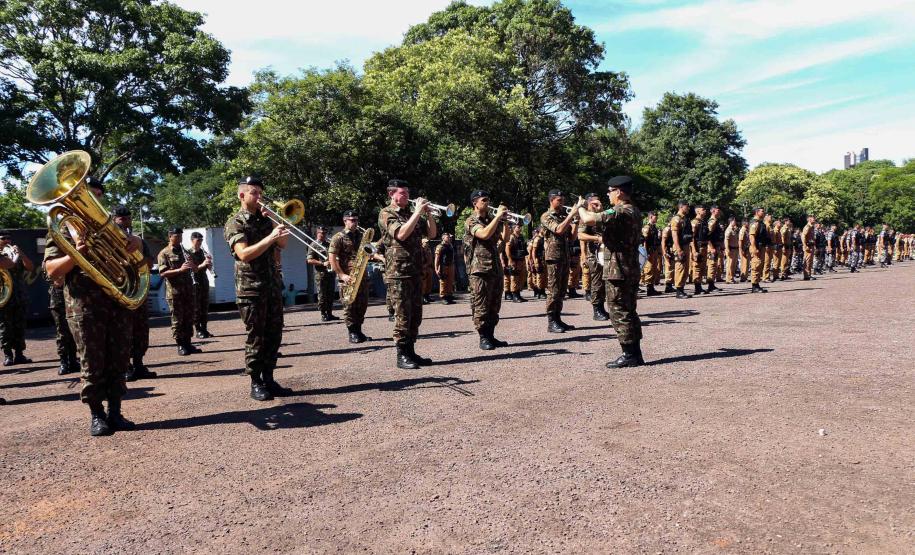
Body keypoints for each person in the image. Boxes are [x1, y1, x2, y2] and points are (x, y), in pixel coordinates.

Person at [44, 175, 138, 436]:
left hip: (116, 301)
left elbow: (134, 260)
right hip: (85, 306)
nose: (93, 201)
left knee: (119, 359)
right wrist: (76, 253)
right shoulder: (64, 229)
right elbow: (51, 270)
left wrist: (136, 244)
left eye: (97, 196)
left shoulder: (112, 227)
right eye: (87, 195)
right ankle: (97, 415)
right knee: (92, 363)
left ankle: (116, 412)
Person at [225, 176, 290, 401]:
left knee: (274, 333)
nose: (259, 197)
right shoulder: (235, 222)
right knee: (257, 336)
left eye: (260, 192)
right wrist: (270, 237)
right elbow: (244, 254)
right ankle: (256, 381)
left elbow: (282, 244)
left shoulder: (265, 220)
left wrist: (273, 222)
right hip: (250, 288)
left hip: (271, 285)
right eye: (254, 192)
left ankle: (269, 378)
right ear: (241, 195)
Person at [577, 176, 644, 368]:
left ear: (620, 192)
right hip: (628, 267)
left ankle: (629, 354)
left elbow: (588, 219)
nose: (608, 194)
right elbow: (609, 228)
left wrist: (582, 206)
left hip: (618, 269)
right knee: (629, 310)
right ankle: (634, 353)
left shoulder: (621, 210)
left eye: (610, 191)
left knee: (619, 311)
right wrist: (599, 211)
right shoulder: (632, 210)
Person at [378, 179, 437, 369]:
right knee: (403, 315)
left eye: (407, 193)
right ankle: (401, 354)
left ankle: (411, 352)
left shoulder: (411, 214)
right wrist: (418, 212)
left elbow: (432, 234)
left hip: (415, 270)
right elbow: (401, 234)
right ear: (391, 194)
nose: (407, 196)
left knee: (415, 315)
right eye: (403, 193)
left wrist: (428, 215)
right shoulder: (387, 213)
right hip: (398, 272)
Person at [112, 205, 156, 381]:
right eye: (121, 218)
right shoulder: (109, 239)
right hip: (121, 290)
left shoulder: (139, 240)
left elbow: (149, 264)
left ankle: (139, 364)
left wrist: (137, 259)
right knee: (123, 331)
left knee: (141, 330)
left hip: (138, 289)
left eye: (128, 218)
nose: (125, 221)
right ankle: (125, 367)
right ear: (114, 219)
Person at [463, 191, 510, 350]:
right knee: (481, 304)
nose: (487, 202)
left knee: (494, 304)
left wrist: (504, 221)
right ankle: (483, 337)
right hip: (479, 269)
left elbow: (505, 238)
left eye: (488, 199)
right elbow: (483, 234)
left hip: (495, 266)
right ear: (475, 203)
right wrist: (497, 218)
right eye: (484, 200)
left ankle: (491, 335)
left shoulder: (491, 220)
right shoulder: (471, 220)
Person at [540, 190, 584, 333]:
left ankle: (558, 318)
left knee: (561, 290)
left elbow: (571, 238)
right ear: (551, 201)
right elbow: (558, 230)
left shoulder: (563, 216)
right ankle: (551, 321)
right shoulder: (546, 216)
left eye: (563, 200)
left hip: (564, 256)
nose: (562, 202)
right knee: (553, 290)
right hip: (553, 258)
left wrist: (576, 221)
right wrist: (571, 214)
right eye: (559, 200)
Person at [329, 210, 372, 344]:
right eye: (352, 220)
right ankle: (352, 332)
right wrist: (341, 274)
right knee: (349, 305)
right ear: (345, 221)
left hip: (362, 276)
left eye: (356, 220)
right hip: (347, 276)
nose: (354, 222)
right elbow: (332, 258)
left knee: (362, 304)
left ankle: (359, 331)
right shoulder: (338, 237)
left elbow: (368, 251)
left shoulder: (362, 236)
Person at [157, 228, 201, 356]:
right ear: (170, 236)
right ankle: (180, 344)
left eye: (181, 236)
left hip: (188, 291)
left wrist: (193, 266)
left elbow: (196, 269)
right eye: (177, 236)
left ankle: (188, 343)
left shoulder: (185, 251)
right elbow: (163, 273)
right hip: (175, 292)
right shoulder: (164, 253)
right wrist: (180, 270)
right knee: (178, 319)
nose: (180, 239)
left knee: (189, 318)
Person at [0, 233, 34, 366]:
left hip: (19, 295)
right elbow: (10, 265)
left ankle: (19, 354)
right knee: (5, 327)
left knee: (19, 326)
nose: (7, 241)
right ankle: (8, 355)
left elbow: (30, 267)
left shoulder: (15, 253)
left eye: (9, 238)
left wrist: (21, 253)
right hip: (3, 296)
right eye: (3, 238)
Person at [578, 193, 609, 320]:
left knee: (604, 282)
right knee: (597, 283)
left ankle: (602, 308)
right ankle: (597, 310)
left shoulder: (600, 215)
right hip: (593, 254)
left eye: (599, 202)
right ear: (589, 203)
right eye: (595, 203)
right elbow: (581, 236)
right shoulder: (586, 217)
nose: (597, 204)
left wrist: (601, 210)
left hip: (604, 253)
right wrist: (597, 238)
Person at [47, 269, 79, 375]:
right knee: (62, 332)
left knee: (74, 331)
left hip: (72, 299)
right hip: (58, 300)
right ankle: (63, 362)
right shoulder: (52, 260)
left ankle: (73, 361)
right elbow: (58, 281)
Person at [187, 231, 215, 337]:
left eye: (201, 240)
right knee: (196, 307)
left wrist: (209, 265)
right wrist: (202, 264)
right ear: (192, 240)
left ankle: (204, 329)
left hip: (203, 281)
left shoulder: (202, 252)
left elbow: (207, 268)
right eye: (198, 240)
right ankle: (198, 330)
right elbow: (192, 270)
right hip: (194, 282)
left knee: (205, 306)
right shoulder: (188, 253)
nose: (200, 242)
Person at [307, 226, 337, 321]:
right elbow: (309, 260)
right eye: (321, 233)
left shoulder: (329, 244)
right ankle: (323, 314)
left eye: (324, 233)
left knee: (331, 294)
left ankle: (330, 313)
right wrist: (322, 263)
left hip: (331, 273)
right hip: (321, 274)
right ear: (317, 233)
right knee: (322, 295)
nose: (323, 235)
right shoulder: (313, 245)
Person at [669, 201, 692, 299]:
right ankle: (678, 291)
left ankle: (682, 289)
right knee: (680, 267)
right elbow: (674, 235)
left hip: (685, 246)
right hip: (680, 246)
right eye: (687, 207)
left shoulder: (685, 218)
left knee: (685, 268)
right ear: (681, 207)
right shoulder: (676, 219)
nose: (688, 208)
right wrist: (678, 249)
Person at [748, 207, 769, 293]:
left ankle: (757, 284)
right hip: (756, 247)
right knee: (755, 266)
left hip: (761, 247)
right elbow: (751, 236)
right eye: (762, 211)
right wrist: (754, 247)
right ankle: (754, 286)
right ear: (757, 212)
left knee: (759, 265)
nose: (764, 213)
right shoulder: (755, 223)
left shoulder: (761, 223)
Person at [690, 205, 710, 295]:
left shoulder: (703, 222)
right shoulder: (695, 222)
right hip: (698, 247)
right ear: (697, 211)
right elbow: (692, 238)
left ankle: (700, 286)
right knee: (697, 267)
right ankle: (697, 287)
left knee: (702, 267)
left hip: (704, 247)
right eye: (703, 209)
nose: (705, 211)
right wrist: (694, 251)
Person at [641, 211, 661, 296]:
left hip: (654, 250)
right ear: (651, 217)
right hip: (649, 251)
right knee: (648, 269)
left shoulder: (654, 227)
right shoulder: (647, 227)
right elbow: (644, 241)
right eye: (655, 216)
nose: (656, 218)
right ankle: (649, 289)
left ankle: (652, 288)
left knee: (653, 269)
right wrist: (645, 253)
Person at [505, 225, 528, 302]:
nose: (520, 228)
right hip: (514, 260)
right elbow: (507, 249)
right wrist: (510, 260)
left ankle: (518, 295)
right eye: (518, 227)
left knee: (521, 278)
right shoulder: (511, 237)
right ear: (514, 228)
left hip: (521, 260)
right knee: (514, 278)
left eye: (520, 227)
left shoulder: (521, 237)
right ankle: (514, 296)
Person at [435, 233, 457, 304]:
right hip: (442, 266)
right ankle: (443, 297)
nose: (449, 238)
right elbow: (437, 258)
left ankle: (449, 296)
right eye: (448, 237)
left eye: (450, 237)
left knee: (450, 281)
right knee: (443, 281)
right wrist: (436, 268)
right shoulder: (440, 247)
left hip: (450, 265)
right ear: (443, 238)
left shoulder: (450, 245)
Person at [705, 206, 723, 290]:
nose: (719, 212)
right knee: (711, 265)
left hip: (716, 246)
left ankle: (712, 284)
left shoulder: (716, 221)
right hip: (712, 247)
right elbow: (707, 235)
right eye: (717, 210)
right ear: (712, 211)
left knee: (714, 265)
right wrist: (711, 247)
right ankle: (710, 285)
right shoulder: (712, 222)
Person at [529, 227, 547, 299]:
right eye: (543, 229)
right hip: (538, 259)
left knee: (543, 276)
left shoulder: (543, 238)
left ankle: (542, 291)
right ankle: (539, 292)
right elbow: (533, 251)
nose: (544, 230)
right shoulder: (537, 239)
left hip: (543, 259)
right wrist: (534, 261)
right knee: (539, 276)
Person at [660, 222, 675, 293]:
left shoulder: (672, 228)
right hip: (667, 250)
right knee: (668, 267)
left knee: (672, 267)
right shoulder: (667, 229)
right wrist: (664, 252)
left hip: (671, 250)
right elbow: (663, 241)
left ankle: (670, 285)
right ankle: (668, 286)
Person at [724, 217, 739, 284]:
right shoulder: (729, 230)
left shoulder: (734, 229)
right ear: (731, 222)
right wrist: (727, 249)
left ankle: (731, 278)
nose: (735, 222)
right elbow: (726, 240)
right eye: (734, 221)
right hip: (731, 249)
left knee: (734, 265)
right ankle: (728, 279)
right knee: (730, 264)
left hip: (735, 249)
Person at [800, 215, 816, 280]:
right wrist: (805, 245)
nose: (814, 219)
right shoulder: (807, 227)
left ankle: (809, 274)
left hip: (811, 246)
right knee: (807, 261)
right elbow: (803, 236)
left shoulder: (812, 227)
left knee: (810, 261)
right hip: (808, 246)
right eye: (813, 218)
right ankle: (806, 275)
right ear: (809, 219)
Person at [421, 238, 435, 304]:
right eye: (425, 242)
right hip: (423, 268)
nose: (427, 243)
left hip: (429, 267)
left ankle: (427, 296)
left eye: (427, 242)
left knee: (429, 283)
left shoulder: (429, 249)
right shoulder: (420, 250)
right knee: (424, 284)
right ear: (422, 243)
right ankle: (422, 297)